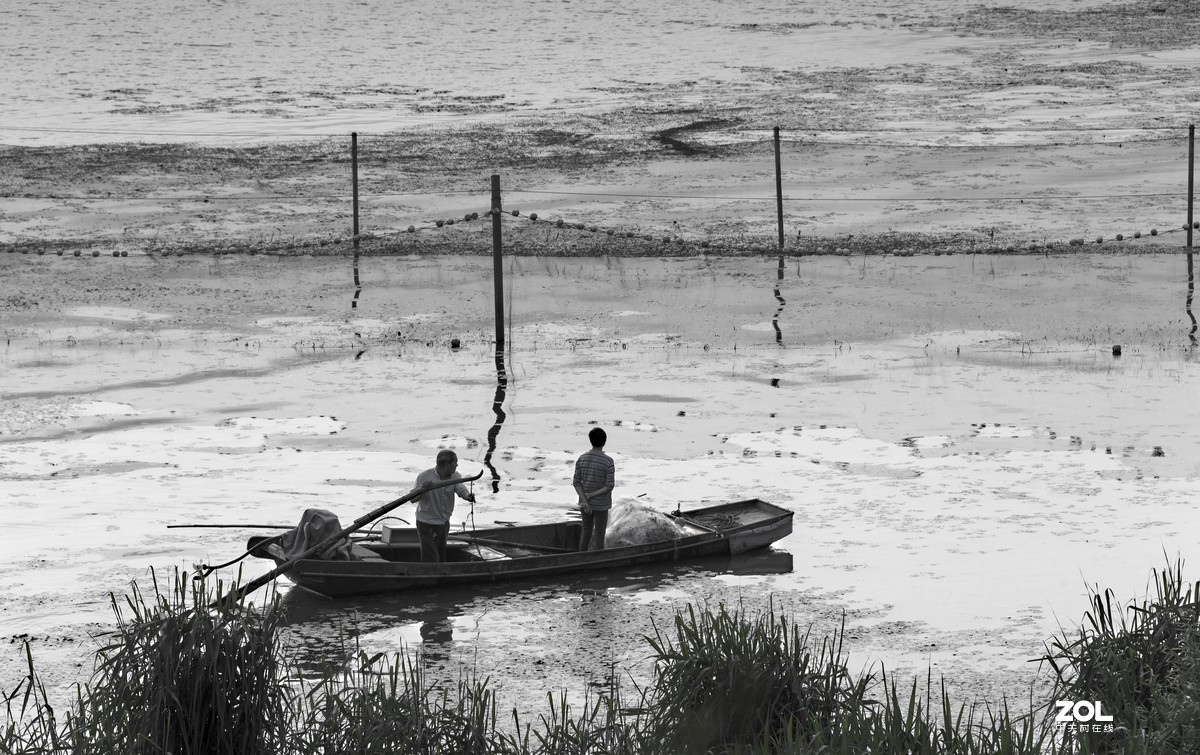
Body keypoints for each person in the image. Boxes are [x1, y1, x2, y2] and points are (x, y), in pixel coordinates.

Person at [411, 450, 476, 562]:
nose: (457, 465)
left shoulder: (455, 476)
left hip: (444, 523)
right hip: (426, 524)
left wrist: (468, 496)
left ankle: (440, 571)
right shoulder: (424, 476)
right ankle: (430, 572)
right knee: (431, 557)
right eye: (455, 462)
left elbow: (461, 489)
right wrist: (423, 489)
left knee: (441, 555)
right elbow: (413, 499)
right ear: (446, 464)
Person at [573, 427, 615, 551]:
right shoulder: (608, 461)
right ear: (604, 441)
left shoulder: (582, 458)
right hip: (601, 504)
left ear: (590, 440)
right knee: (599, 535)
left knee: (586, 532)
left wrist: (585, 501)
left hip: (585, 503)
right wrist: (592, 495)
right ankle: (598, 559)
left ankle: (581, 558)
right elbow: (609, 486)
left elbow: (576, 483)